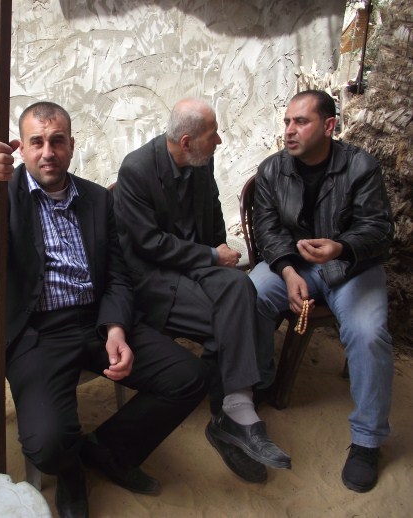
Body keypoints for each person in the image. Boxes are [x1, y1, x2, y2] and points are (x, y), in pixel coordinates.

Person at [0, 101, 208, 518]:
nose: (48, 152)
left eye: (57, 141)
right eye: (37, 142)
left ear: (72, 145)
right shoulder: (3, 196)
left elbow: (117, 273)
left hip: (96, 319)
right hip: (35, 330)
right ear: (21, 148)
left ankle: (108, 449)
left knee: (189, 377)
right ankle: (70, 467)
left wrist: (115, 328)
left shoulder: (96, 199)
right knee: (47, 445)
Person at [113, 98, 290, 485]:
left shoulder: (200, 160)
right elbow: (148, 244)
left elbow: (212, 211)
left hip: (196, 265)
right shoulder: (136, 170)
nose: (220, 141)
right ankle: (230, 419)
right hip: (154, 277)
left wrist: (218, 252)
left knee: (241, 286)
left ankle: (236, 407)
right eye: (213, 135)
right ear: (187, 141)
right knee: (230, 319)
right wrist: (211, 255)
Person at [249, 89, 394, 493]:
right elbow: (267, 229)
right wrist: (286, 270)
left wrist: (341, 247)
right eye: (287, 122)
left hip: (351, 267)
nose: (289, 131)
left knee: (368, 334)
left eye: (301, 121)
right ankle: (259, 380)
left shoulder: (361, 167)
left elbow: (380, 229)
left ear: (329, 126)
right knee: (249, 292)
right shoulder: (272, 169)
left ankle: (367, 441)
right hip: (294, 265)